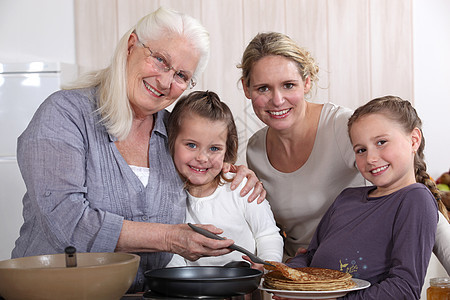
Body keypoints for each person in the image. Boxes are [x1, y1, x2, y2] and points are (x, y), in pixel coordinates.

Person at [11, 7, 264, 292]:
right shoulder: (65, 114)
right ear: (132, 45)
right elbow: (68, 221)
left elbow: (201, 171)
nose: (166, 81)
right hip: (53, 292)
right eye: (160, 60)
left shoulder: (174, 132)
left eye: (181, 75)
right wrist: (170, 239)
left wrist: (231, 174)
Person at [283, 96, 440, 299]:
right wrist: (289, 276)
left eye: (381, 142)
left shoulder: (415, 200)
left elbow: (404, 289)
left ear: (414, 140)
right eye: (361, 150)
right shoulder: (347, 198)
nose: (371, 158)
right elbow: (310, 256)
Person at [238, 32, 365, 260]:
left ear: (306, 83)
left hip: (357, 267)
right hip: (300, 275)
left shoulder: (343, 126)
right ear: (246, 89)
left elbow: (405, 193)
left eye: (288, 85)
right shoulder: (255, 149)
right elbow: (270, 229)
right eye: (263, 88)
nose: (277, 100)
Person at [165, 90, 283, 271]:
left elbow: (267, 234)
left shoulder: (240, 187)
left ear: (227, 151)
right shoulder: (165, 196)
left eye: (214, 148)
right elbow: (170, 253)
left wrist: (266, 266)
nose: (202, 158)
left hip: (245, 288)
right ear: (171, 142)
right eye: (191, 145)